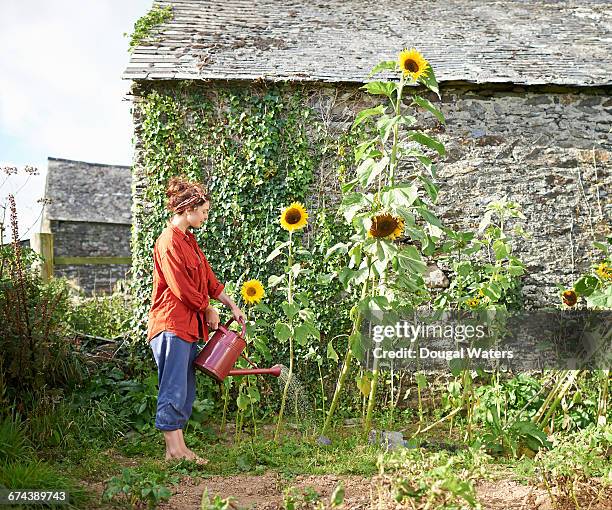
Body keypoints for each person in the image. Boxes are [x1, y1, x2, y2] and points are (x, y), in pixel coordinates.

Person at [147, 175, 246, 463]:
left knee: (185, 389)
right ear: (188, 209)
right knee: (173, 386)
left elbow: (209, 280)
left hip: (187, 328)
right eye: (203, 211)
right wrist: (207, 309)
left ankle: (175, 451)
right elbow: (182, 289)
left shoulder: (189, 241)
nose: (205, 216)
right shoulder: (168, 242)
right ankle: (176, 451)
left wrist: (230, 304)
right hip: (171, 325)